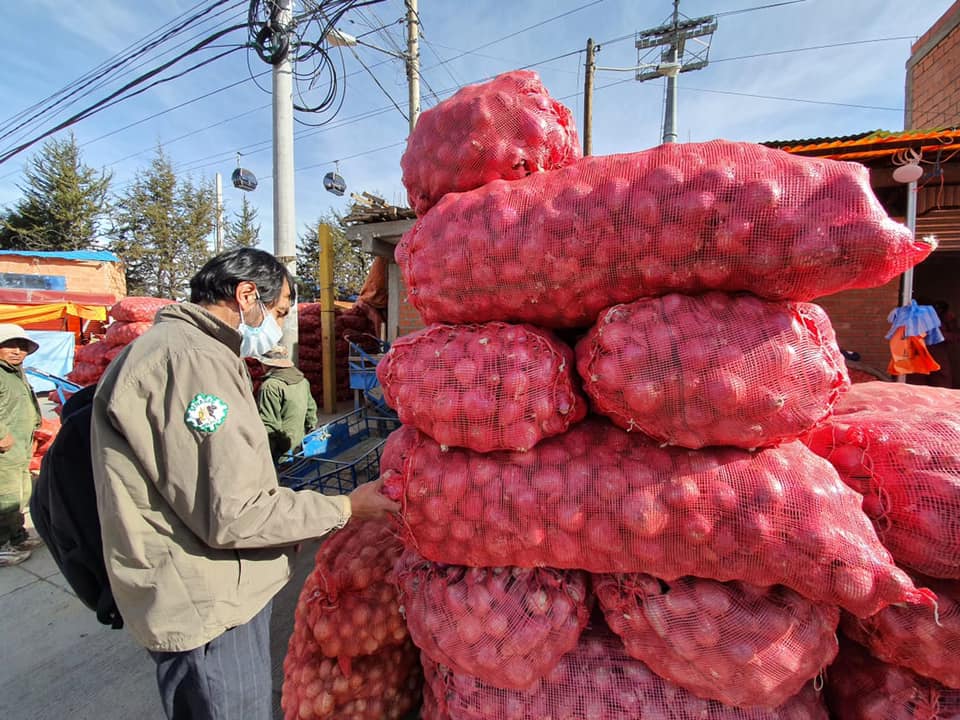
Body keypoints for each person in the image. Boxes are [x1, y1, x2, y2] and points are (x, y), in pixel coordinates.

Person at [90, 248, 399, 720]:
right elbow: (237, 511)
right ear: (246, 294)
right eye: (276, 313)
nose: (276, 327)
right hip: (208, 606)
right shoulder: (192, 362)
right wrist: (345, 509)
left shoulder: (180, 351)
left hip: (198, 591)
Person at [0, 324, 42, 567]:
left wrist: (35, 427)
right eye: (10, 346)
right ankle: (3, 545)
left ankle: (17, 536)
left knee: (20, 493)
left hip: (20, 445)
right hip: (5, 448)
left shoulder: (15, 373)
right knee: (5, 498)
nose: (17, 351)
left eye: (22, 347)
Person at [256, 345, 318, 462]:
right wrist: (311, 429)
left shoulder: (270, 386)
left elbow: (269, 423)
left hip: (282, 449)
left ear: (267, 364)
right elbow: (311, 410)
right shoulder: (302, 381)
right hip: (298, 442)